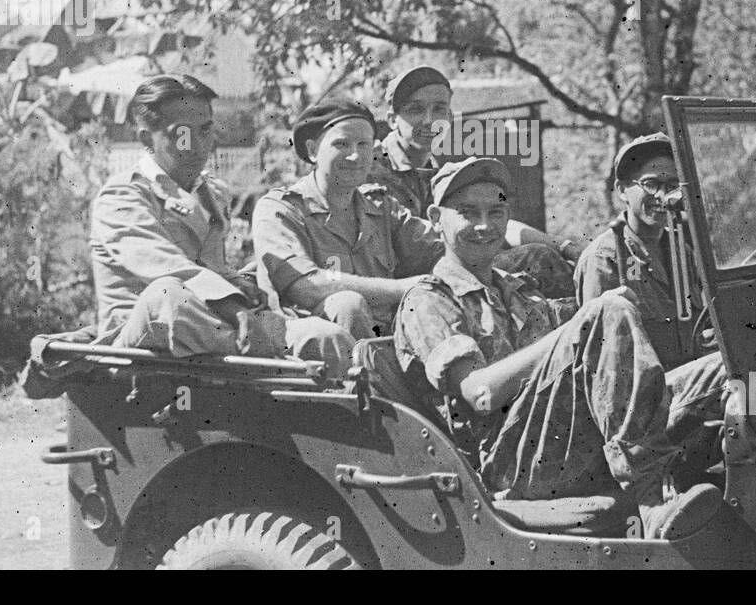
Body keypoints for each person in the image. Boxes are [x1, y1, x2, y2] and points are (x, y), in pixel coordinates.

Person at [393, 157, 725, 540]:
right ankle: (651, 494)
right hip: (510, 463)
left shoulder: (521, 289)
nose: (484, 226)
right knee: (608, 309)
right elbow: (479, 395)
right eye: (467, 213)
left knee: (722, 368)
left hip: (565, 438)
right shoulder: (428, 300)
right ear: (436, 217)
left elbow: (588, 362)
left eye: (496, 211)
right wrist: (579, 325)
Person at [90, 75, 354, 374]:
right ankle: (270, 359)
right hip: (149, 340)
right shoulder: (121, 197)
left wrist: (243, 286)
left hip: (217, 324)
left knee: (327, 338)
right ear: (146, 139)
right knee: (166, 294)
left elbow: (213, 266)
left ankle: (273, 365)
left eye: (205, 130)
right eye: (182, 134)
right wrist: (238, 309)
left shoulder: (212, 193)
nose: (197, 145)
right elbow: (168, 267)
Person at [371, 64, 585, 297]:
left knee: (549, 260)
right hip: (404, 285)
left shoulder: (434, 168)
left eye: (439, 109)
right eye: (416, 110)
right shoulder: (371, 167)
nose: (429, 120)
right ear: (392, 119)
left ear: (450, 118)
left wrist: (565, 247)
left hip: (445, 270)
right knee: (539, 260)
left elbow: (498, 223)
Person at [574, 133, 729, 448]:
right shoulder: (605, 257)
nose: (663, 196)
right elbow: (601, 368)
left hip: (681, 388)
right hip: (640, 411)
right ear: (622, 191)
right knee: (730, 370)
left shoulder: (680, 249)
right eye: (650, 184)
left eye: (672, 185)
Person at [252, 99, 443, 341]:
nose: (355, 156)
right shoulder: (281, 210)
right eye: (341, 144)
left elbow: (437, 249)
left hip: (384, 343)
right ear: (312, 151)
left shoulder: (380, 207)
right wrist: (404, 288)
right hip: (317, 353)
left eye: (363, 144)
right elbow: (309, 286)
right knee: (347, 304)